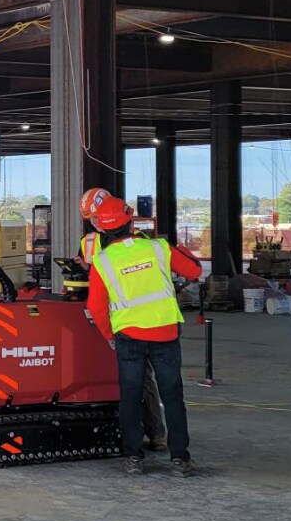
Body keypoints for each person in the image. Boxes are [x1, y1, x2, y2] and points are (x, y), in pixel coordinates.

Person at [86, 197, 203, 477]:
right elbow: (195, 270)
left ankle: (133, 458)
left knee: (130, 396)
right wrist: (179, 248)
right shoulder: (158, 248)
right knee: (172, 396)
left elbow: (95, 306)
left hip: (128, 336)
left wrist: (109, 336)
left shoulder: (102, 261)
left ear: (102, 230)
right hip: (165, 333)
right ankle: (180, 458)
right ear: (130, 222)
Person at [78, 188, 168, 454]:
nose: (94, 222)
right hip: (108, 312)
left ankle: (156, 433)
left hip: (135, 319)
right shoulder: (90, 241)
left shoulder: (138, 240)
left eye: (96, 216)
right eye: (90, 219)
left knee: (143, 379)